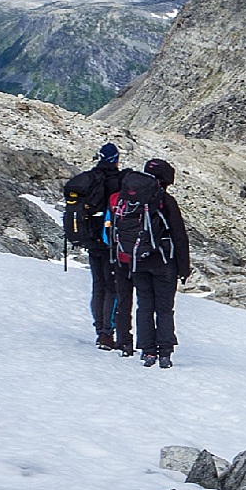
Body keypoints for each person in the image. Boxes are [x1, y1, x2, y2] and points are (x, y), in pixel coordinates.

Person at [114, 157, 191, 369]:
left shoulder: (131, 198)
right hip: (164, 262)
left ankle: (147, 351)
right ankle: (164, 353)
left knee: (144, 306)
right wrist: (184, 269)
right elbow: (179, 236)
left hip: (138, 261)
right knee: (164, 308)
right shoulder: (165, 201)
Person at [64, 143, 128, 349]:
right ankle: (107, 333)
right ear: (116, 159)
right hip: (110, 241)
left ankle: (99, 328)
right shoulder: (117, 182)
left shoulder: (90, 179)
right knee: (113, 288)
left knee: (98, 286)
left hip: (91, 240)